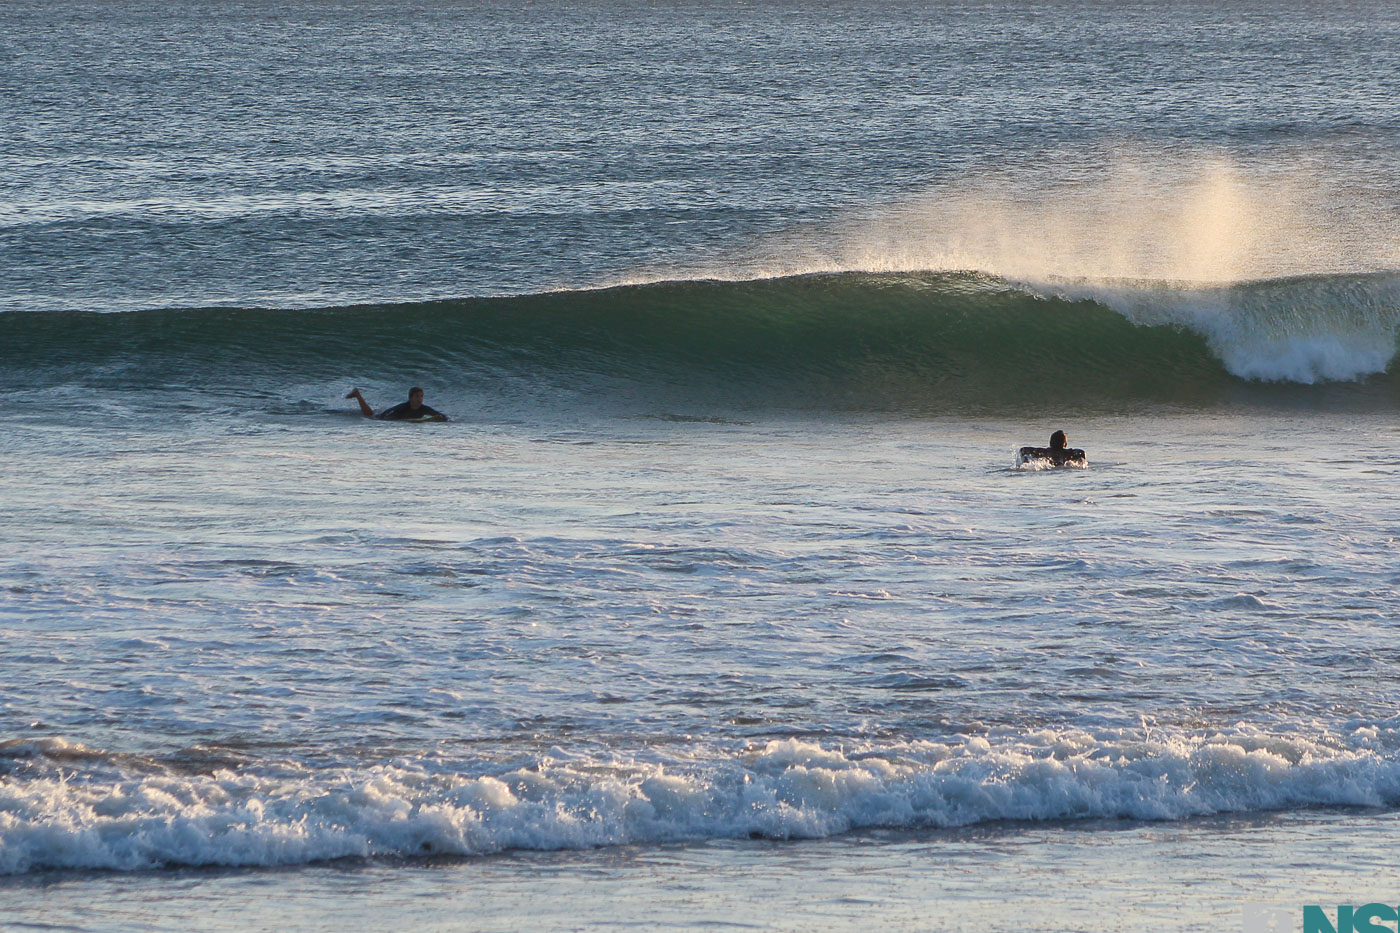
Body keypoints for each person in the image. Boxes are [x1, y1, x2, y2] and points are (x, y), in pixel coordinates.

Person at [345, 387, 449, 421]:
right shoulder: (403, 407)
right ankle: (357, 394)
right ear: (410, 397)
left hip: (401, 419)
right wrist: (380, 419)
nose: (420, 399)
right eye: (417, 396)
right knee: (369, 415)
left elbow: (440, 415)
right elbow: (387, 413)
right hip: (386, 416)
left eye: (421, 396)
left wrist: (444, 419)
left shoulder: (424, 408)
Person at [1019, 429, 1086, 466]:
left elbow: (1023, 450)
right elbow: (1081, 452)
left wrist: (1025, 461)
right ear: (1065, 444)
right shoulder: (1068, 453)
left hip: (1049, 466)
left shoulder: (1044, 451)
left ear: (1050, 443)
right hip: (1062, 466)